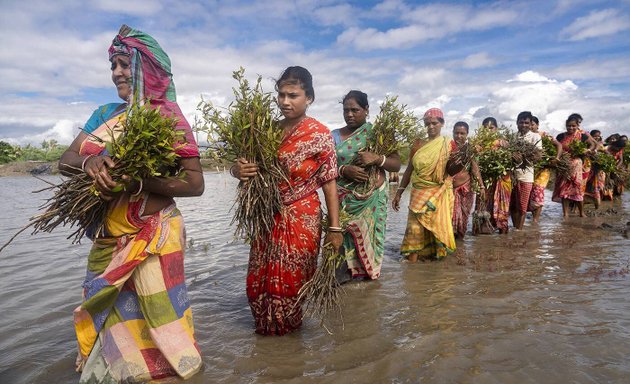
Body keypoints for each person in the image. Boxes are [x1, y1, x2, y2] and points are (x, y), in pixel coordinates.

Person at [58, 25, 203, 382]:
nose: (117, 73)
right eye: (113, 66)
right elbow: (65, 160)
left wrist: (139, 181)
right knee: (109, 327)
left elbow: (195, 183)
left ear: (146, 68)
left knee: (161, 327)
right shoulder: (105, 113)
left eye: (125, 64)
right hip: (108, 242)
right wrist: (89, 163)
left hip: (154, 240)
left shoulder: (169, 118)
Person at [230, 66, 343, 335]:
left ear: (309, 98)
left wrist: (335, 228)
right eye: (281, 95)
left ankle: (287, 353)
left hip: (301, 217)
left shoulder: (319, 134)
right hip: (266, 216)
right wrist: (238, 170)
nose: (285, 101)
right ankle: (267, 332)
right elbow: (244, 168)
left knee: (291, 283)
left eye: (293, 95)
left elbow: (329, 182)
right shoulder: (264, 132)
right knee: (259, 282)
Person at [331, 90, 401, 281]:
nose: (350, 114)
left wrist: (377, 159)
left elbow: (396, 163)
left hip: (371, 202)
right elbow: (323, 169)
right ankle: (340, 284)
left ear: (366, 110)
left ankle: (365, 286)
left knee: (368, 246)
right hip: (342, 201)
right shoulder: (334, 136)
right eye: (346, 110)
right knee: (338, 245)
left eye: (355, 110)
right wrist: (344, 170)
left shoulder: (378, 133)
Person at [392, 108, 460, 262]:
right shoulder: (418, 144)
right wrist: (399, 193)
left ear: (442, 124)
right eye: (427, 123)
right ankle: (412, 263)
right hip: (418, 193)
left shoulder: (448, 144)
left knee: (437, 228)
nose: (431, 126)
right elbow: (409, 170)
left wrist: (465, 157)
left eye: (434, 123)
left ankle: (435, 270)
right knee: (414, 229)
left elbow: (452, 170)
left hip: (439, 194)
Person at [552, 114, 596, 217]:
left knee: (577, 189)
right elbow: (557, 148)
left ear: (577, 126)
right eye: (568, 126)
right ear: (566, 125)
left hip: (576, 165)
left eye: (573, 126)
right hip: (564, 165)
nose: (571, 128)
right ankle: (565, 214)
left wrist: (588, 150)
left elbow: (593, 144)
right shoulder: (561, 136)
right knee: (564, 190)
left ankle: (581, 212)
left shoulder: (582, 136)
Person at [476, 116, 512, 234]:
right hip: (485, 179)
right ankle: (483, 233)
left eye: (491, 128)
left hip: (501, 179)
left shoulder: (503, 142)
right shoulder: (479, 143)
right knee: (484, 206)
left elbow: (510, 160)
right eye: (486, 128)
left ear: (496, 129)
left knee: (501, 207)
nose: (489, 130)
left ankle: (502, 232)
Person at [451, 121, 484, 239]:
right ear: (453, 133)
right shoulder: (448, 147)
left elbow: (475, 168)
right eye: (456, 133)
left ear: (467, 134)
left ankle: (460, 244)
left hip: (466, 188)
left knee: (463, 218)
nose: (459, 136)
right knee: (449, 218)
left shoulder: (470, 149)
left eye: (462, 133)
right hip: (449, 189)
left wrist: (481, 186)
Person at [510, 111, 542, 230]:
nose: (523, 125)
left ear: (530, 124)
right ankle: (515, 228)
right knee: (512, 205)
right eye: (521, 122)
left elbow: (538, 156)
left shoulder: (535, 136)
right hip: (512, 175)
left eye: (526, 123)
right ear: (517, 123)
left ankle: (519, 230)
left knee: (522, 206)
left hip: (526, 176)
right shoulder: (513, 136)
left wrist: (523, 156)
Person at [528, 115, 562, 223]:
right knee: (530, 193)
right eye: (529, 124)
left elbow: (559, 145)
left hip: (543, 170)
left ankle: (535, 220)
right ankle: (534, 216)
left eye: (532, 125)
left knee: (538, 190)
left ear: (537, 125)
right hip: (530, 169)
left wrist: (556, 158)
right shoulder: (525, 136)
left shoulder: (544, 135)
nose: (530, 127)